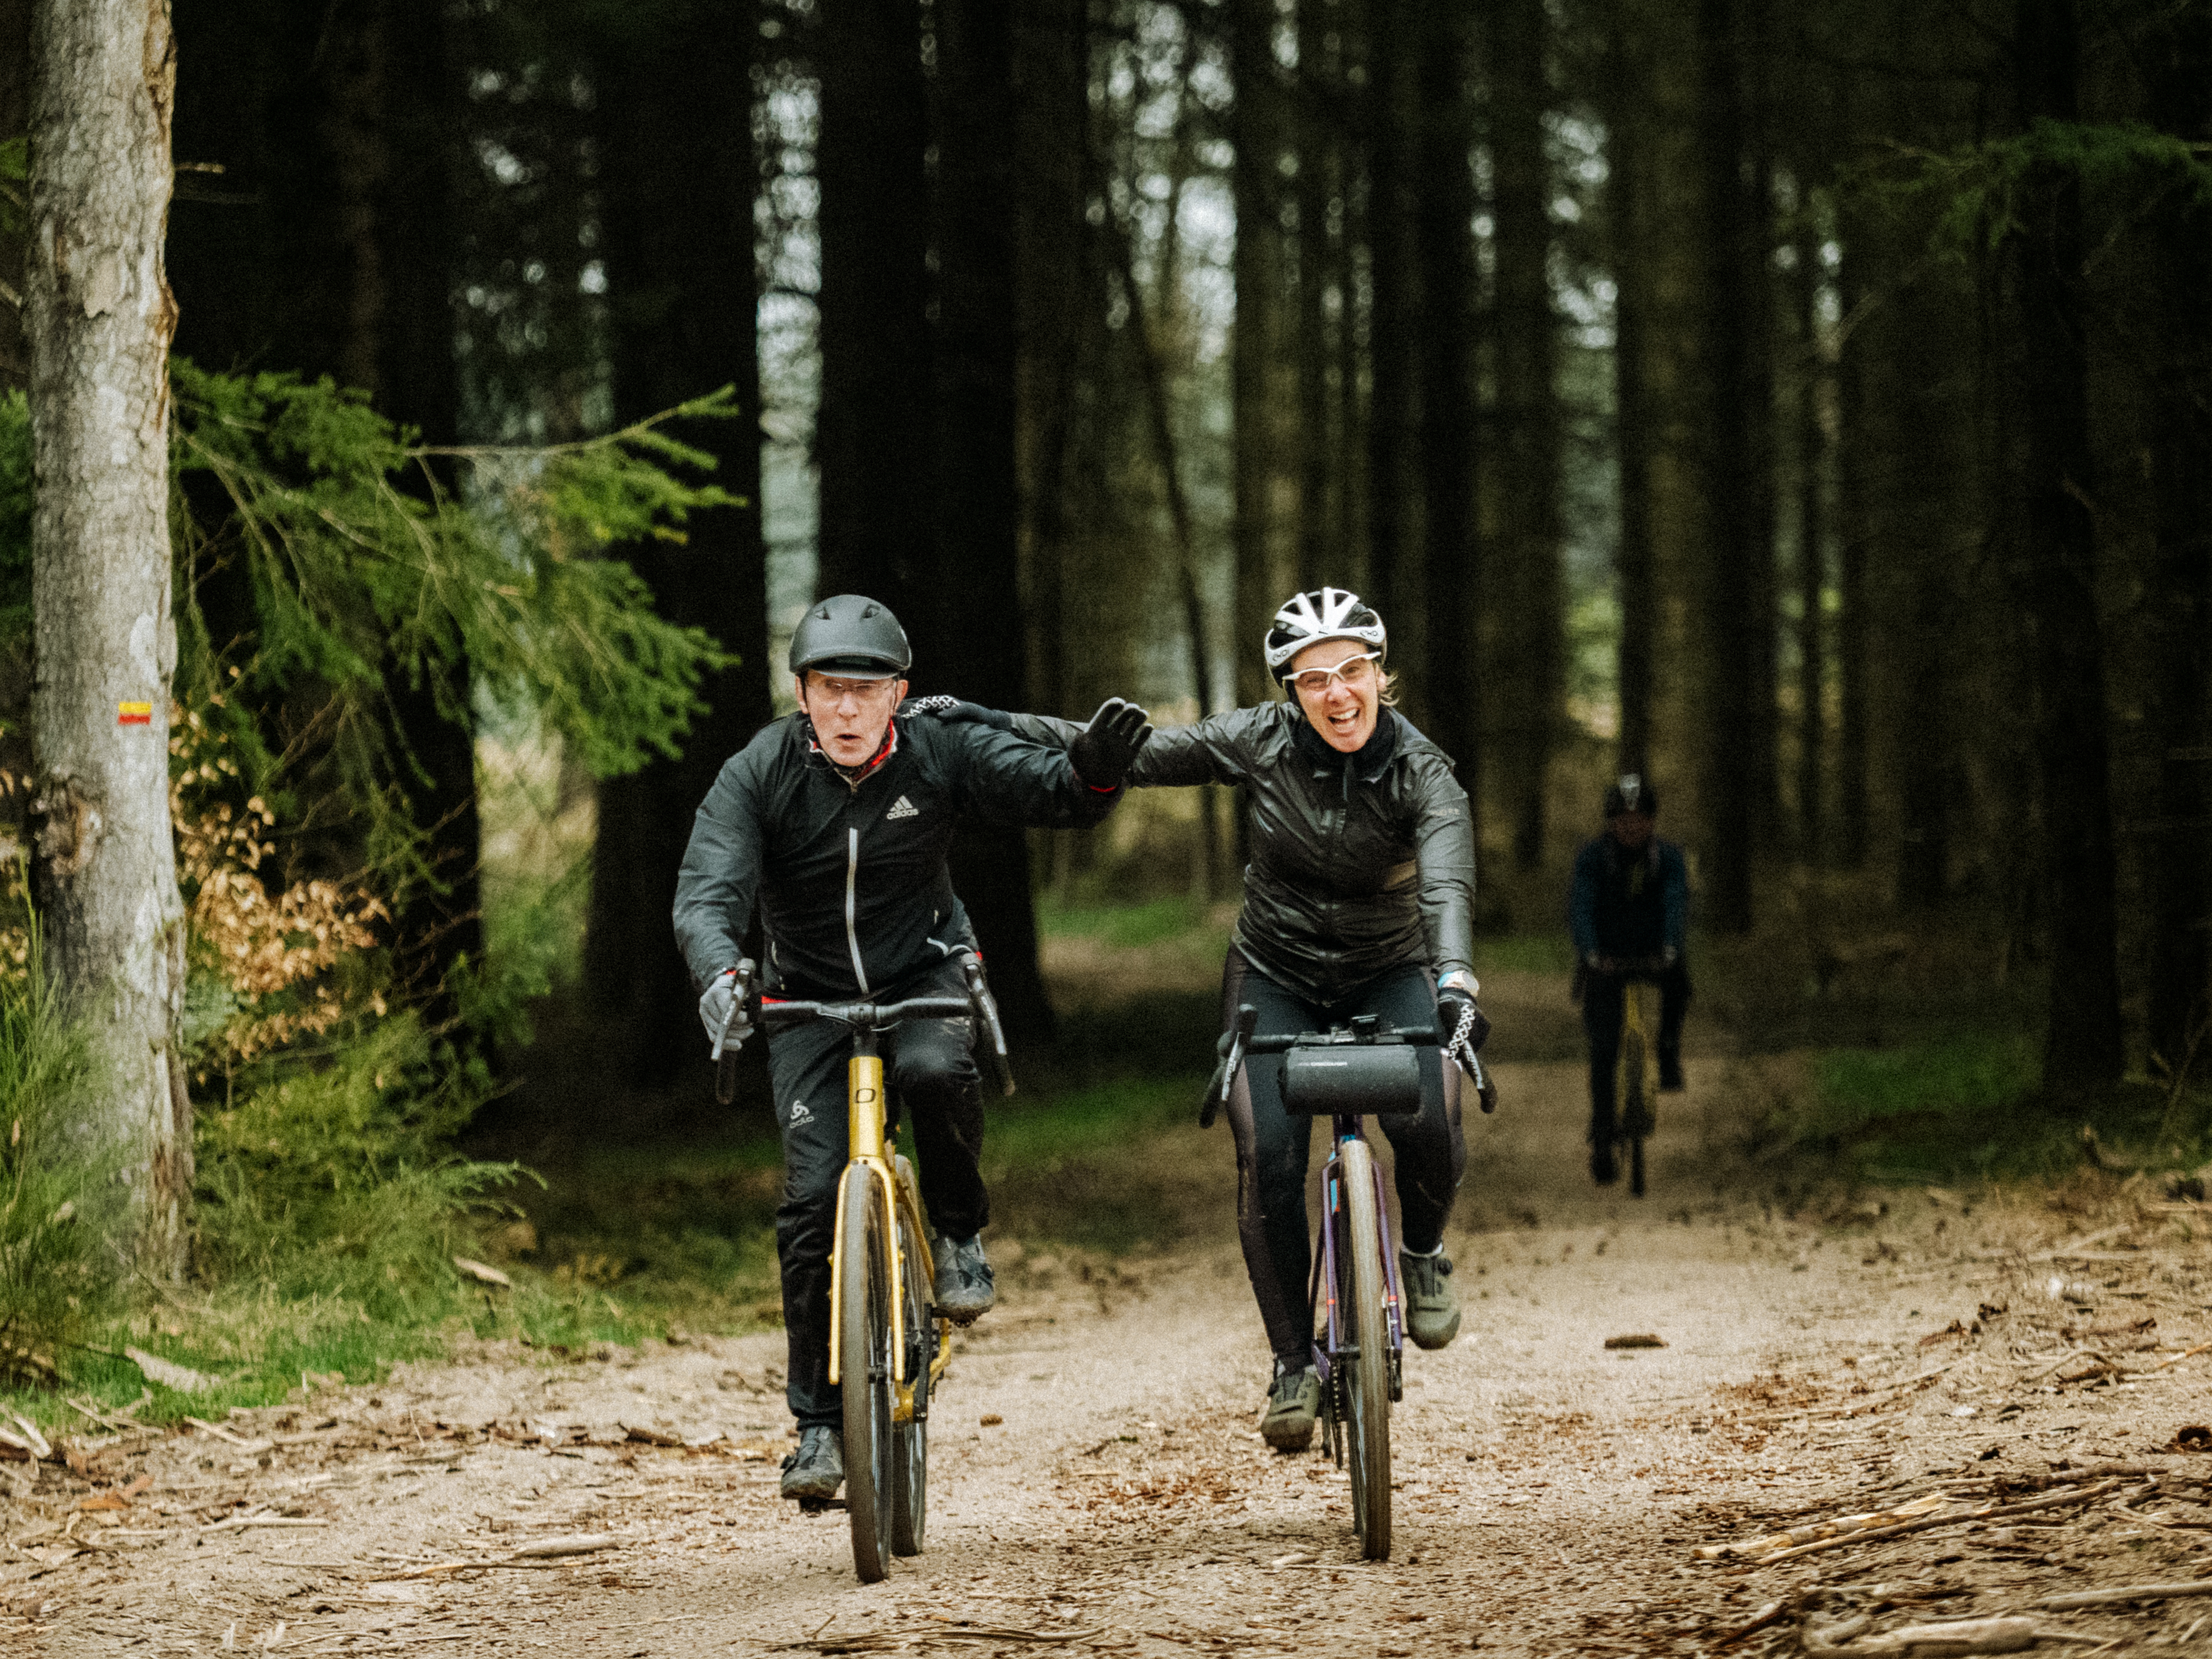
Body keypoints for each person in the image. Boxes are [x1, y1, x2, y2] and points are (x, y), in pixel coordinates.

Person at [923, 588, 1490, 1454]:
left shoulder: (1424, 771)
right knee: (1266, 1153)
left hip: (1392, 967)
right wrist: (979, 715)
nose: (1337, 695)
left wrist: (1454, 977)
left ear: (1381, 673)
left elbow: (1447, 881)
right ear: (1288, 692)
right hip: (1276, 968)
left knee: (1428, 1110)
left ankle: (1419, 1249)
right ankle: (1293, 1361)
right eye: (1312, 680)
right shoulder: (1259, 741)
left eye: (1351, 671)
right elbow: (1129, 752)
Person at [672, 594, 1152, 1502]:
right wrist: (717, 971)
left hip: (921, 971)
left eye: (864, 690)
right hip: (805, 999)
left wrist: (1092, 772)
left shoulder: (938, 748)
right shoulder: (760, 769)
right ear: (803, 695)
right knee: (812, 1203)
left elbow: (1049, 791)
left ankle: (958, 1230)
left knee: (935, 1069)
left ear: (898, 692)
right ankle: (818, 1425)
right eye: (826, 689)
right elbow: (706, 889)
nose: (845, 710)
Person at [1568, 773, 1691, 1185]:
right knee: (1603, 1047)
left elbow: (1676, 902)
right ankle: (1603, 1133)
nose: (1631, 827)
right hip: (1606, 959)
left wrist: (1670, 947)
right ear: (1610, 822)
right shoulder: (1593, 858)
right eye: (1622, 819)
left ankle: (1669, 1049)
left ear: (1652, 821)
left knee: (1681, 984)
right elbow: (1580, 906)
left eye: (1639, 819)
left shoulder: (1668, 858)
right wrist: (1590, 953)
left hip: (1654, 954)